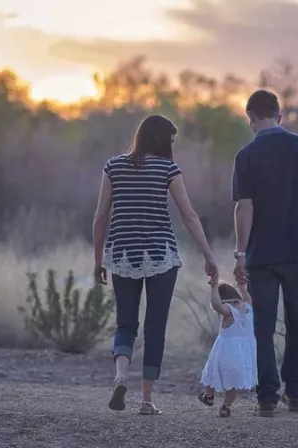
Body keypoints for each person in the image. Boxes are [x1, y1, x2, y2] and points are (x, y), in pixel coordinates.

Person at [92, 114, 219, 415]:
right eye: (171, 140)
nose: (173, 146)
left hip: (122, 255)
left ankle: (121, 376)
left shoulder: (113, 167)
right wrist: (208, 255)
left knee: (125, 323)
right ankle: (146, 401)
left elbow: (100, 218)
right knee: (155, 328)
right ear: (162, 139)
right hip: (161, 256)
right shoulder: (168, 169)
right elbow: (189, 215)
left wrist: (98, 260)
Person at [231, 90, 298, 417]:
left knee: (262, 327)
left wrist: (240, 253)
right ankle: (296, 393)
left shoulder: (245, 155)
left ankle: (266, 398)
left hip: (262, 257)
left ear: (250, 118)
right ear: (279, 116)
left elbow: (243, 207)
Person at [198, 279, 257, 418]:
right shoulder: (248, 307)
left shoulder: (229, 311)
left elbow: (217, 305)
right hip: (244, 354)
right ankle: (225, 407)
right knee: (233, 382)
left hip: (225, 351)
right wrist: (242, 285)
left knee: (212, 372)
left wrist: (213, 287)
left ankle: (209, 396)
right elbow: (247, 296)